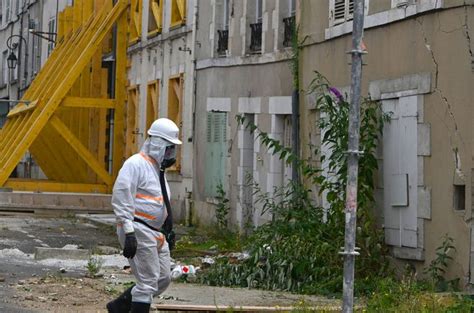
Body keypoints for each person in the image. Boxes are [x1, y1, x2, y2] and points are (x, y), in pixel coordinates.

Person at [106, 118, 182, 313]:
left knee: (162, 279)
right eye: (169, 148)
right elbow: (121, 197)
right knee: (147, 283)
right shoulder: (135, 164)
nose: (171, 153)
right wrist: (128, 231)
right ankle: (131, 307)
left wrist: (167, 229)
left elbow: (159, 200)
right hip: (138, 228)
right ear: (158, 143)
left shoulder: (157, 170)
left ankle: (119, 306)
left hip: (156, 233)